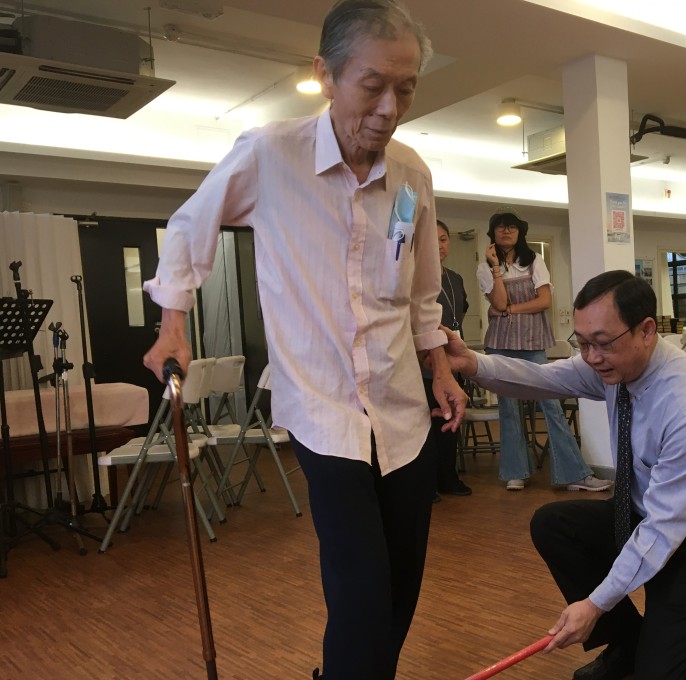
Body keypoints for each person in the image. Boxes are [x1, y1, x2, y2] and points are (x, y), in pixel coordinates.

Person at [140, 2, 467, 678]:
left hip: (403, 408)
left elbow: (421, 291)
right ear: (326, 74)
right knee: (360, 588)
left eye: (405, 87)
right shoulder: (270, 153)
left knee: (402, 586)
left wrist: (439, 367)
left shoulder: (412, 175)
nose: (389, 106)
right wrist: (172, 325)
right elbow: (188, 231)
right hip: (321, 407)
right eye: (372, 84)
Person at [442, 270, 686, 680]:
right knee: (555, 524)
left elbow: (665, 528)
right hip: (644, 517)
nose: (590, 357)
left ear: (646, 330)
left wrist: (594, 605)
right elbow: (547, 378)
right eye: (583, 342)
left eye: (602, 343)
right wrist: (473, 363)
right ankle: (628, 641)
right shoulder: (614, 365)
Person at [476, 207, 610, 493]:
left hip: (534, 341)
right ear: (493, 233)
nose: (507, 231)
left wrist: (511, 309)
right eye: (500, 227)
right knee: (508, 408)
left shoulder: (534, 260)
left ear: (520, 232)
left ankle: (574, 474)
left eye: (512, 227)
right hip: (500, 343)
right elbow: (497, 303)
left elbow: (544, 301)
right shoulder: (485, 268)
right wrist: (496, 270)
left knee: (551, 405)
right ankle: (515, 472)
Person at [425, 220, 472, 498]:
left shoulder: (454, 278)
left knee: (450, 421)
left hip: (452, 358)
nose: (439, 246)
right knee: (428, 422)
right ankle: (427, 482)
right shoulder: (417, 276)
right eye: (433, 240)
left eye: (443, 239)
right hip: (427, 362)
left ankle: (448, 477)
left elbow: (460, 312)